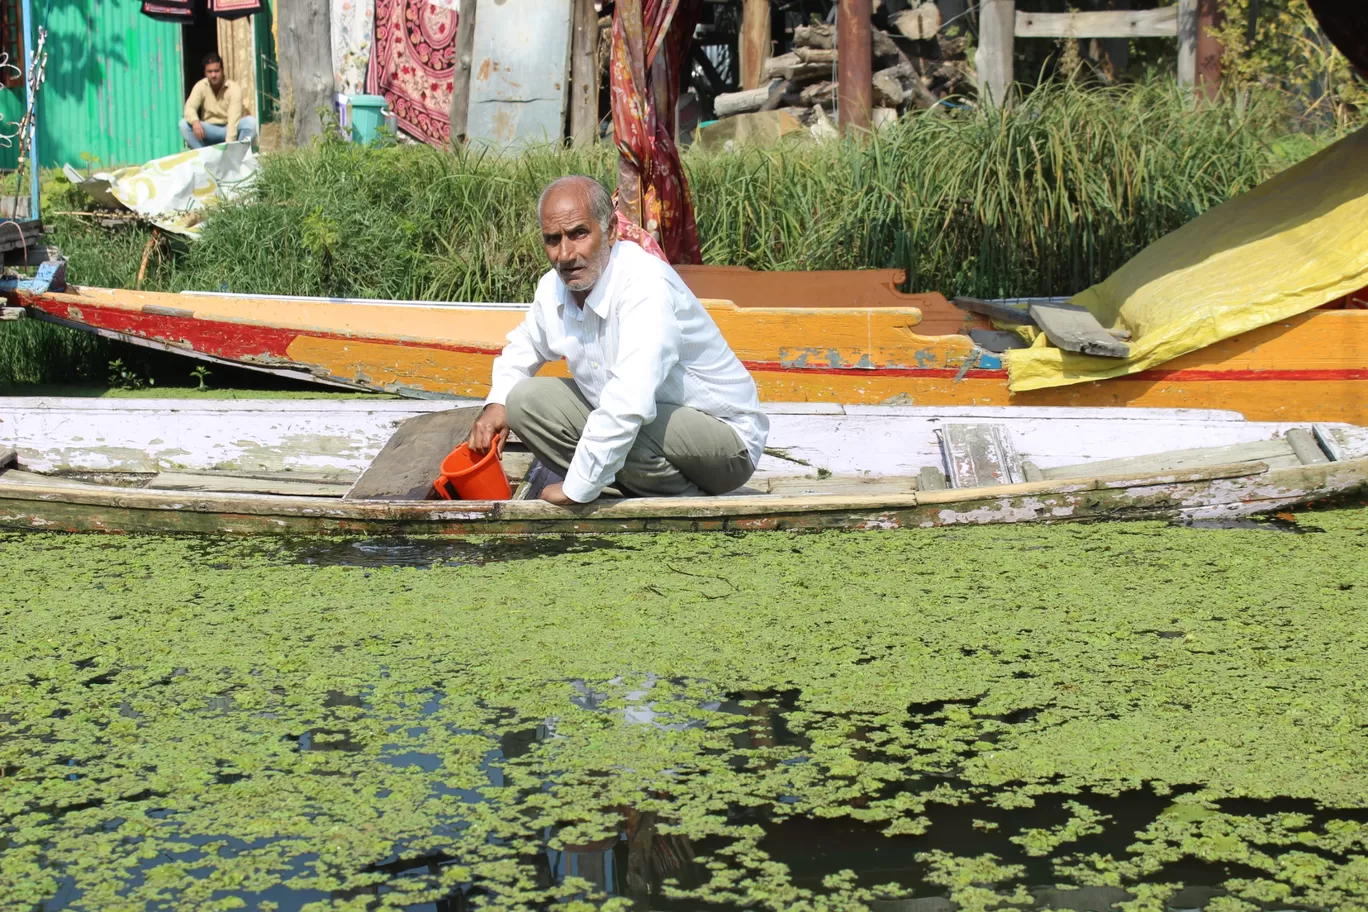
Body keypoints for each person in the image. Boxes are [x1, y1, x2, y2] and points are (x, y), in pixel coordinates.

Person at [467, 176, 768, 505]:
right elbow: (524, 346)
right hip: (645, 423)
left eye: (579, 233)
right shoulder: (552, 287)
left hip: (726, 442)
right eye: (553, 240)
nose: (565, 254)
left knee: (625, 422)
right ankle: (632, 486)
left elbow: (628, 402)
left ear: (610, 230)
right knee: (522, 402)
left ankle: (682, 501)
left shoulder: (645, 286)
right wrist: (495, 405)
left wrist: (576, 488)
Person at [179, 53, 257, 149]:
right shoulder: (201, 86)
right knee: (183, 125)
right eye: (210, 71)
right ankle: (204, 155)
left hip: (229, 128)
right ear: (205, 72)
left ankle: (238, 153)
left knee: (251, 123)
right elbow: (189, 107)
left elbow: (233, 121)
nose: (213, 75)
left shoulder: (233, 88)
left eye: (216, 71)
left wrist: (228, 148)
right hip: (209, 130)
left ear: (222, 70)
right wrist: (195, 122)